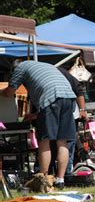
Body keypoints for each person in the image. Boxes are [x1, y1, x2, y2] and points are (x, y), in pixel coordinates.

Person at [1, 61, 76, 189]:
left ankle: (43, 179)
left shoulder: (20, 68)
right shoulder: (43, 65)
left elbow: (9, 92)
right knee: (62, 141)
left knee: (44, 141)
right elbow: (55, 102)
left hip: (51, 96)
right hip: (68, 97)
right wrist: (36, 115)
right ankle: (60, 180)